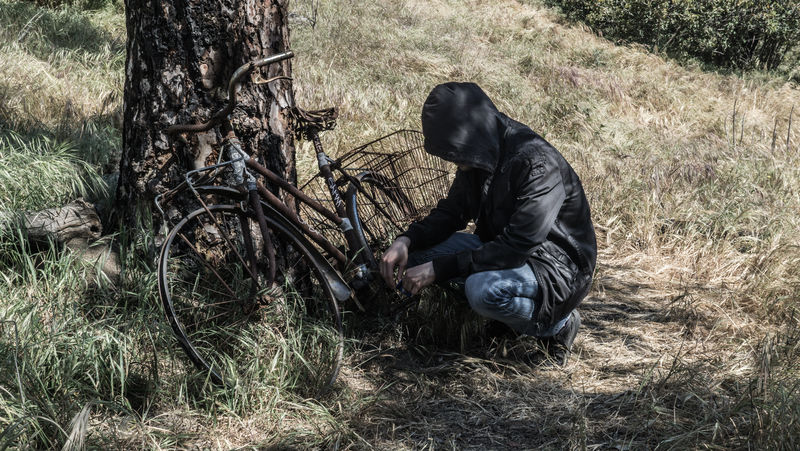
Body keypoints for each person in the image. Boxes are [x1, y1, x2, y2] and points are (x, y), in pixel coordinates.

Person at [380, 82, 597, 365]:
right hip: (502, 249)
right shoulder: (479, 154)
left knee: (483, 290)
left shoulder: (536, 163)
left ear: (471, 135)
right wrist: (406, 240)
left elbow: (518, 246)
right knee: (415, 257)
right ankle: (509, 321)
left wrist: (440, 268)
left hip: (556, 268)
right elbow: (452, 212)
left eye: (453, 152)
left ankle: (558, 325)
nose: (451, 160)